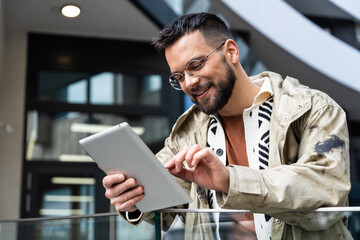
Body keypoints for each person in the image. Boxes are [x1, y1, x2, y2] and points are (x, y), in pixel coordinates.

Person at [102, 12, 352, 239]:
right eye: (178, 76)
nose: (188, 83)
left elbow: (326, 193)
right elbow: (162, 207)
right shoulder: (186, 133)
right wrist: (132, 199)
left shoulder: (313, 108)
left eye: (195, 65)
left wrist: (230, 180)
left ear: (231, 51)